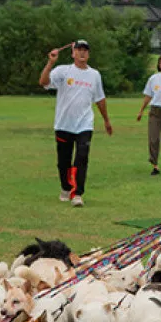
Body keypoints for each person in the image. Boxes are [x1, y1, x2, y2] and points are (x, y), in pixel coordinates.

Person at [38, 40, 112, 207]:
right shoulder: (63, 71)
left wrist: (107, 120)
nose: (82, 53)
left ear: (89, 54)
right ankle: (65, 187)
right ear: (73, 53)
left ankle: (77, 193)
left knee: (82, 157)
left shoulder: (94, 75)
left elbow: (100, 99)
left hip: (84, 124)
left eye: (85, 50)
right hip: (63, 124)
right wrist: (50, 62)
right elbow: (43, 82)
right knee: (63, 161)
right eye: (79, 50)